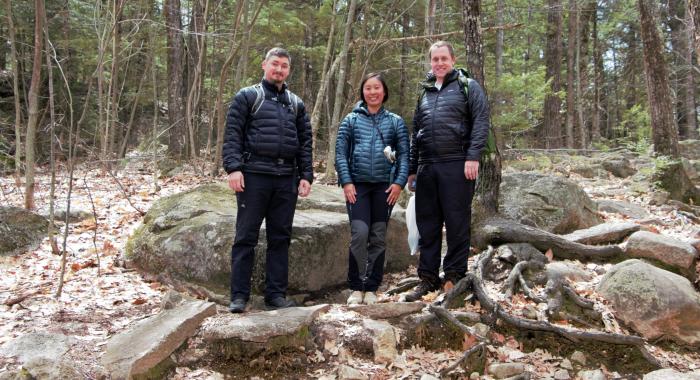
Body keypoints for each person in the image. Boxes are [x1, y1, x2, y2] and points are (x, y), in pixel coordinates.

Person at [222, 47, 313, 313]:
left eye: (284, 66)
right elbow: (232, 134)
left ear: (289, 70)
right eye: (275, 64)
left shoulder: (296, 104)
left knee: (280, 238)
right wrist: (233, 168)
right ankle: (239, 296)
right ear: (264, 65)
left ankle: (276, 295)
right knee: (245, 237)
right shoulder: (249, 96)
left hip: (286, 179)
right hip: (253, 177)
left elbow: (305, 142)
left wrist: (306, 174)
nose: (279, 70)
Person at [404, 41, 490, 302]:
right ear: (430, 62)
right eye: (435, 59)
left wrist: (473, 156)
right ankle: (428, 279)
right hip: (427, 167)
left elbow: (481, 121)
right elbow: (416, 132)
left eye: (444, 58)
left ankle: (454, 276)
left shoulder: (468, 87)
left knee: (456, 223)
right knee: (427, 225)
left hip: (458, 164)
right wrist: (412, 169)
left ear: (453, 59)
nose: (439, 63)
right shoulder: (425, 92)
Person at [335, 72, 409, 305]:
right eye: (368, 88)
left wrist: (398, 183)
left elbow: (405, 156)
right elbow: (340, 154)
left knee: (378, 237)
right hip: (357, 187)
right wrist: (346, 182)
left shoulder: (395, 121)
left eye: (377, 88)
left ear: (384, 91)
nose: (373, 92)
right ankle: (356, 287)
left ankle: (371, 288)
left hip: (384, 188)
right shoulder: (351, 121)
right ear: (362, 92)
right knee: (359, 234)